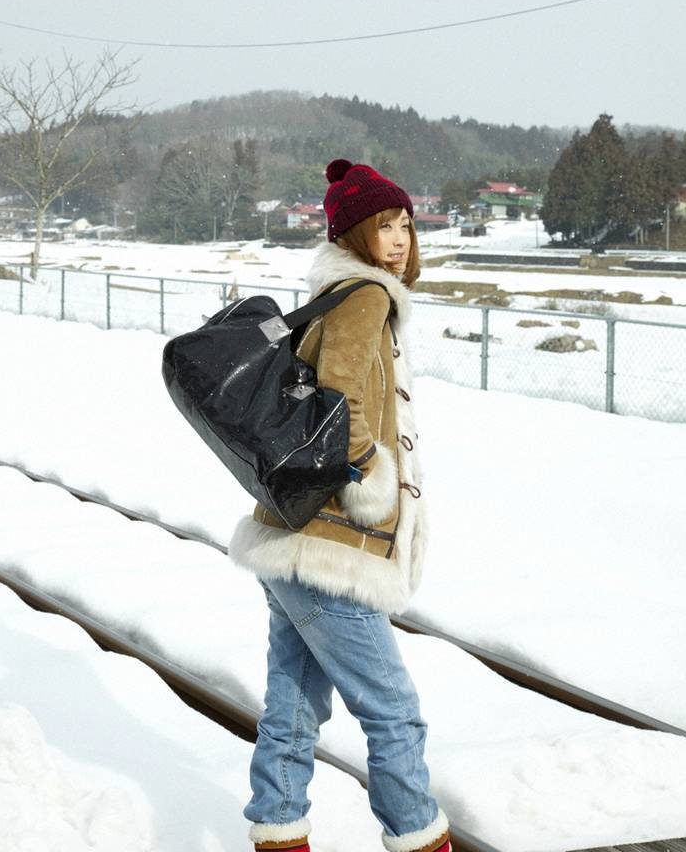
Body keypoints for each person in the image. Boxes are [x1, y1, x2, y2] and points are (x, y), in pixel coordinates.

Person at [229, 159, 449, 852]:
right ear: (354, 234)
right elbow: (340, 392)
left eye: (407, 226)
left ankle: (280, 833)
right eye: (384, 226)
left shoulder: (344, 292)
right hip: (332, 546)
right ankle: (420, 837)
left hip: (290, 538)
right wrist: (365, 476)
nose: (400, 240)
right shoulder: (364, 298)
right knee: (394, 711)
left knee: (294, 707)